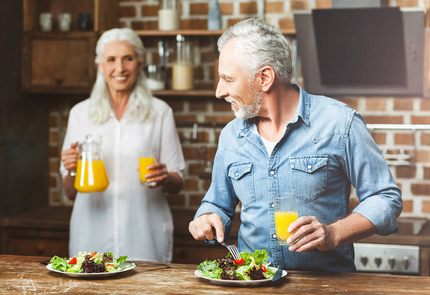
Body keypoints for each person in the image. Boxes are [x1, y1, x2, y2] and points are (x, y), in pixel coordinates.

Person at [188, 18, 402, 272]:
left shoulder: (339, 123)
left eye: (228, 79)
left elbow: (386, 198)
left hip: (326, 287)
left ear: (265, 78)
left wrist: (333, 233)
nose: (219, 91)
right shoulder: (231, 136)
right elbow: (217, 204)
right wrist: (205, 218)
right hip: (253, 285)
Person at [60, 28, 185, 262]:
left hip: (145, 236)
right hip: (90, 235)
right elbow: (69, 191)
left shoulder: (160, 113)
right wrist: (72, 168)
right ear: (100, 65)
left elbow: (178, 182)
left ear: (139, 63)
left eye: (128, 58)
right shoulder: (80, 114)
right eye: (111, 60)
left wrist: (165, 177)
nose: (120, 68)